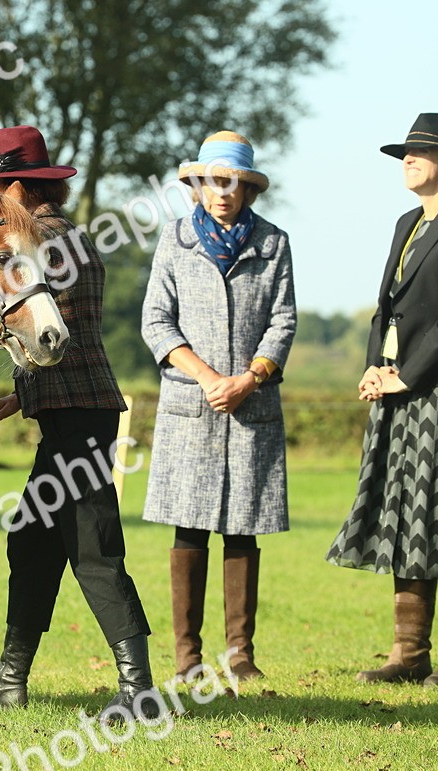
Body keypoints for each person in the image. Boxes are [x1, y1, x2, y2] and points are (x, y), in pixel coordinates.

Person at [0, 125, 157, 720]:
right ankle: (10, 679)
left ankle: (139, 694)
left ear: (17, 186)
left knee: (94, 548)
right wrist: (20, 396)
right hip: (79, 407)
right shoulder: (67, 233)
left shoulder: (38, 239)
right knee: (31, 538)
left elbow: (46, 333)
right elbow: (63, 336)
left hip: (76, 415)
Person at [140, 131, 296, 684]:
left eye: (233, 182)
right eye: (212, 181)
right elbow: (156, 321)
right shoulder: (174, 241)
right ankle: (187, 658)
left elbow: (284, 321)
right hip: (191, 405)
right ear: (198, 186)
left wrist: (250, 379)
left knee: (242, 529)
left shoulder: (274, 243)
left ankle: (240, 654)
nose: (222, 191)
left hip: (251, 408)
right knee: (189, 528)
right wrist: (209, 378)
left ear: (246, 189)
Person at [327, 113, 438, 686]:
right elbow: (384, 306)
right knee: (408, 516)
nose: (408, 160)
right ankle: (410, 655)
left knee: (433, 513)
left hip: (432, 392)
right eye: (405, 153)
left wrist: (409, 374)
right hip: (397, 390)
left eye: (420, 152)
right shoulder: (406, 222)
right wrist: (376, 366)